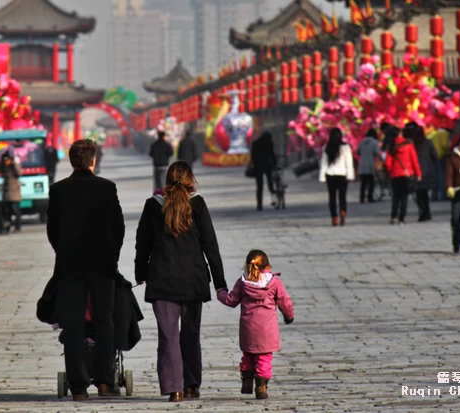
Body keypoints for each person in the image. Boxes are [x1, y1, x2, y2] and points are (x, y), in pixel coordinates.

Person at [135, 161, 226, 403]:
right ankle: (191, 386)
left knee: (168, 336)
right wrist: (220, 283)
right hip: (193, 280)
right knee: (190, 334)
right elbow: (210, 245)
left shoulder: (153, 206)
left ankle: (174, 388)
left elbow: (142, 244)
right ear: (190, 180)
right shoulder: (197, 204)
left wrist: (140, 272)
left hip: (162, 280)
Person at [47, 139, 125, 401]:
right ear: (93, 161)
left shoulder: (58, 191)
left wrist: (63, 251)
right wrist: (111, 255)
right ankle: (105, 382)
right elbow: (118, 228)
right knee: (104, 322)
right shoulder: (106, 188)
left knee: (73, 324)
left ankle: (78, 386)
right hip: (102, 266)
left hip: (69, 266)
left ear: (71, 161)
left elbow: (53, 231)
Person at [217, 250, 294, 400]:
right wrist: (289, 316)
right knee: (264, 358)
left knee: (248, 354)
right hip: (267, 330)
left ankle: (247, 380)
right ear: (268, 265)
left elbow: (231, 300)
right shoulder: (274, 282)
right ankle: (261, 386)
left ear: (247, 265)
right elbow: (285, 302)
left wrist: (221, 292)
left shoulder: (243, 282)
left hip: (248, 329)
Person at [384, 127, 421, 225]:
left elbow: (388, 163)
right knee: (404, 197)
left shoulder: (392, 146)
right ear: (400, 134)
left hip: (395, 175)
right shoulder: (408, 144)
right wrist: (418, 173)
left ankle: (394, 216)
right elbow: (414, 160)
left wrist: (391, 170)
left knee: (396, 197)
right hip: (407, 174)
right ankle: (402, 219)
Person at [318, 128, 355, 226]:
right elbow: (349, 163)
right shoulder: (346, 147)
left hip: (330, 175)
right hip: (342, 175)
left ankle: (334, 217)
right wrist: (350, 175)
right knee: (342, 197)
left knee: (332, 197)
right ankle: (343, 212)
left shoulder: (327, 147)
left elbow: (324, 164)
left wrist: (322, 177)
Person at [406, 123, 437, 222]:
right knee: (425, 194)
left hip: (416, 172)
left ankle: (422, 212)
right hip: (428, 172)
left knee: (419, 194)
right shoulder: (428, 142)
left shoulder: (412, 144)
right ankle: (427, 212)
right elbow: (435, 155)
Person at [250, 132, 277, 211]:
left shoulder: (255, 143)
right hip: (267, 166)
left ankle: (259, 204)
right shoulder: (269, 143)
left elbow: (253, 156)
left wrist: (254, 164)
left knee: (259, 186)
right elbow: (272, 154)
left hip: (258, 167)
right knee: (270, 182)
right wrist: (275, 164)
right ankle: (273, 194)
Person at [0, 152, 22, 232]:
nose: (6, 162)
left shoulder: (13, 166)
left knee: (16, 211)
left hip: (14, 192)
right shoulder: (3, 167)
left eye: (7, 160)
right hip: (6, 192)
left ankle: (18, 226)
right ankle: (8, 226)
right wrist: (1, 161)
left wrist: (13, 163)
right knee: (7, 211)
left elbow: (19, 173)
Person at [357, 128, 380, 203]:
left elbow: (358, 152)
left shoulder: (362, 141)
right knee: (371, 182)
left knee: (363, 183)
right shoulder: (374, 142)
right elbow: (377, 153)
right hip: (370, 164)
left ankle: (362, 197)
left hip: (362, 164)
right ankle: (370, 197)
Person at [427, 127, 450, 201]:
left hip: (432, 156)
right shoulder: (444, 133)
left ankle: (434, 195)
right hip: (441, 156)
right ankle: (443, 195)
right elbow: (444, 145)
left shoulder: (432, 133)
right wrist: (449, 149)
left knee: (435, 176)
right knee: (441, 176)